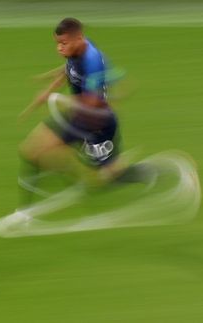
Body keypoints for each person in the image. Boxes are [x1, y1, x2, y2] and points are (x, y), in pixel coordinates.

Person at [17, 17, 127, 208]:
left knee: (104, 180)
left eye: (63, 43)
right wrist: (48, 90)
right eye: (57, 44)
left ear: (78, 39)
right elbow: (70, 69)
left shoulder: (92, 62)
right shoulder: (78, 47)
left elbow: (91, 101)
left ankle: (155, 171)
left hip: (95, 121)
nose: (59, 48)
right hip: (78, 115)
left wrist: (62, 99)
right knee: (31, 151)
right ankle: (23, 213)